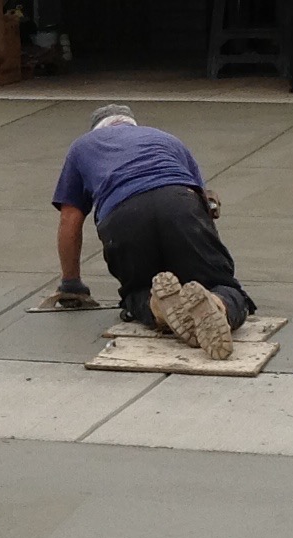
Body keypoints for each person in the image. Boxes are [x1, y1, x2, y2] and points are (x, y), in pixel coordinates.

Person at [50, 103, 252, 359]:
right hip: (179, 202)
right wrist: (209, 260)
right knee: (222, 285)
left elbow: (70, 218)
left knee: (137, 292)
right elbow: (207, 203)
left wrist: (71, 284)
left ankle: (158, 307)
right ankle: (216, 304)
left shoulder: (82, 146)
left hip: (122, 215)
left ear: (96, 129)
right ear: (132, 124)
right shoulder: (165, 139)